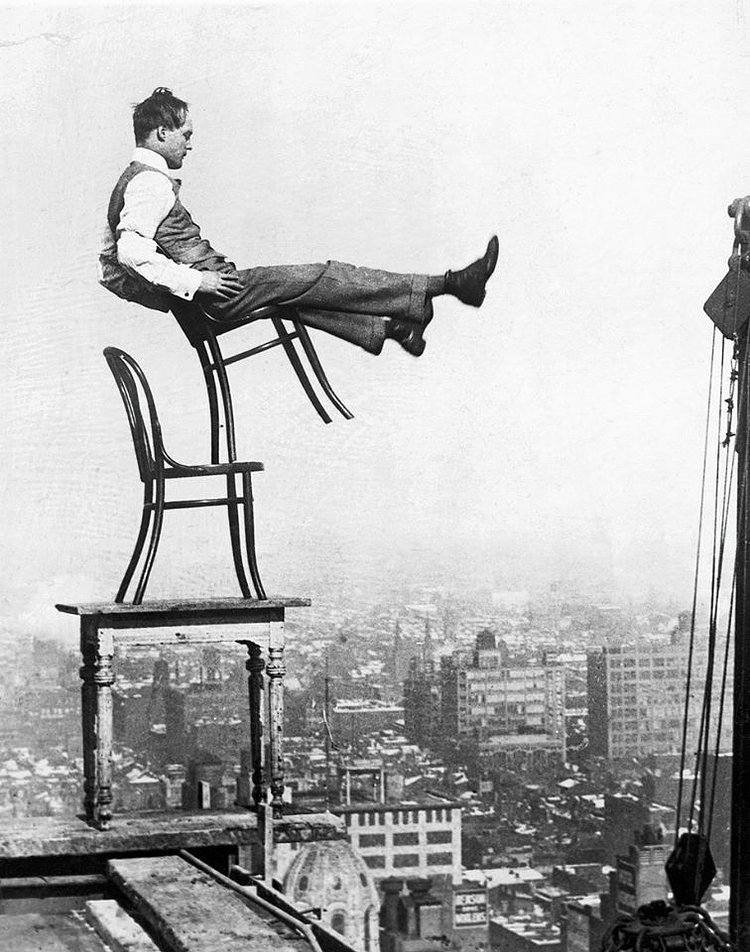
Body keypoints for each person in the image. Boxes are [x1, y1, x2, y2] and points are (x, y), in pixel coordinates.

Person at [99, 87, 499, 358]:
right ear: (162, 132)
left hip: (213, 299)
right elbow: (129, 253)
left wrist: (177, 293)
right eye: (185, 134)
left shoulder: (132, 180)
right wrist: (194, 283)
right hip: (217, 299)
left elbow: (108, 269)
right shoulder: (148, 183)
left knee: (300, 293)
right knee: (325, 276)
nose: (191, 143)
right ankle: (449, 285)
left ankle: (396, 329)